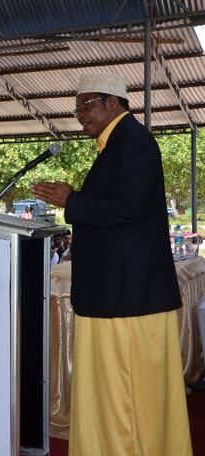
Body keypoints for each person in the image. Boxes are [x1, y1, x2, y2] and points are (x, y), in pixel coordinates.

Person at [31, 73, 191, 455]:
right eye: (77, 108)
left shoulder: (134, 142)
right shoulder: (115, 145)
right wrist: (73, 201)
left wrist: (72, 200)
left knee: (127, 395)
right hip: (112, 295)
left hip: (128, 298)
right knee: (110, 390)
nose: (80, 115)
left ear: (112, 103)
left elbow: (127, 207)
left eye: (86, 105)